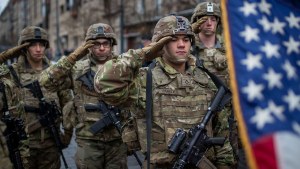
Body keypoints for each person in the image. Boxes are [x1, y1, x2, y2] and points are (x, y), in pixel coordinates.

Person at [93, 15, 235, 168]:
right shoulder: (144, 80)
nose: (181, 45)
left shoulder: (206, 79)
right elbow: (103, 83)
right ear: (160, 44)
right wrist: (144, 53)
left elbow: (222, 133)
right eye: (173, 39)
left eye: (186, 40)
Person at [40, 23, 128, 169]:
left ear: (112, 44)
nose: (101, 48)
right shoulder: (77, 69)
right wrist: (73, 57)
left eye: (105, 43)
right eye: (96, 44)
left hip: (117, 139)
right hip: (88, 140)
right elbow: (45, 82)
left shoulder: (123, 66)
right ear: (88, 46)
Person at [0, 26, 74, 169]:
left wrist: (68, 134)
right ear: (24, 48)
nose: (38, 49)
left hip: (50, 144)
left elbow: (67, 103)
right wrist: (6, 55)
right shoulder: (10, 72)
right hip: (21, 146)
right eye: (33, 45)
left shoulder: (55, 72)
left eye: (42, 45)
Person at [191, 2, 244, 168]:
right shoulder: (187, 50)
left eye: (213, 19)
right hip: (198, 117)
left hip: (229, 118)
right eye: (204, 19)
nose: (209, 23)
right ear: (196, 22)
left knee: (230, 161)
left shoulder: (231, 49)